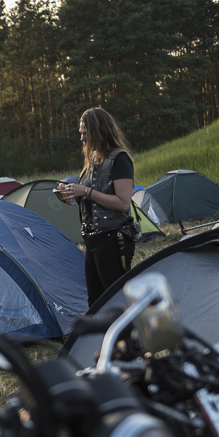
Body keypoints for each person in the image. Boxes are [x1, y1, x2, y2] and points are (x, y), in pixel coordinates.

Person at [58, 107, 137, 307]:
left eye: (86, 133)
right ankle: (103, 338)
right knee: (95, 302)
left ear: (99, 131)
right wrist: (70, 193)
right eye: (81, 133)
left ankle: (131, 337)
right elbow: (91, 204)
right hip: (92, 239)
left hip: (112, 239)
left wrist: (85, 192)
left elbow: (122, 203)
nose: (82, 139)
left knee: (117, 300)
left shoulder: (119, 160)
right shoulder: (92, 162)